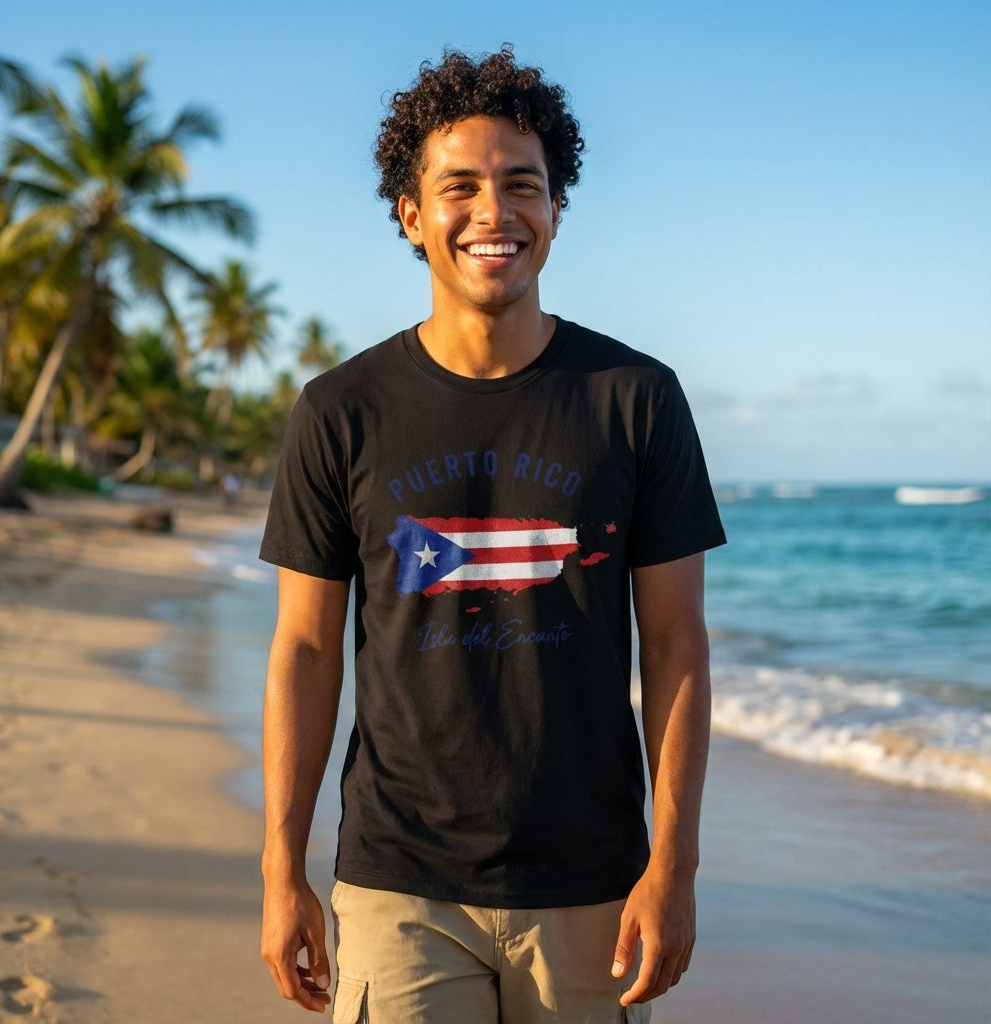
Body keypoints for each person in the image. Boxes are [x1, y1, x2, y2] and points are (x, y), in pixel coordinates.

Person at [258, 45, 726, 1024]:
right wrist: (280, 868)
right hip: (398, 879)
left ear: (555, 209)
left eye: (522, 185)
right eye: (460, 186)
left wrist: (674, 866)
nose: (494, 211)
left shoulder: (635, 400)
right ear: (411, 214)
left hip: (593, 883)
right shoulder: (340, 411)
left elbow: (675, 641)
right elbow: (305, 647)